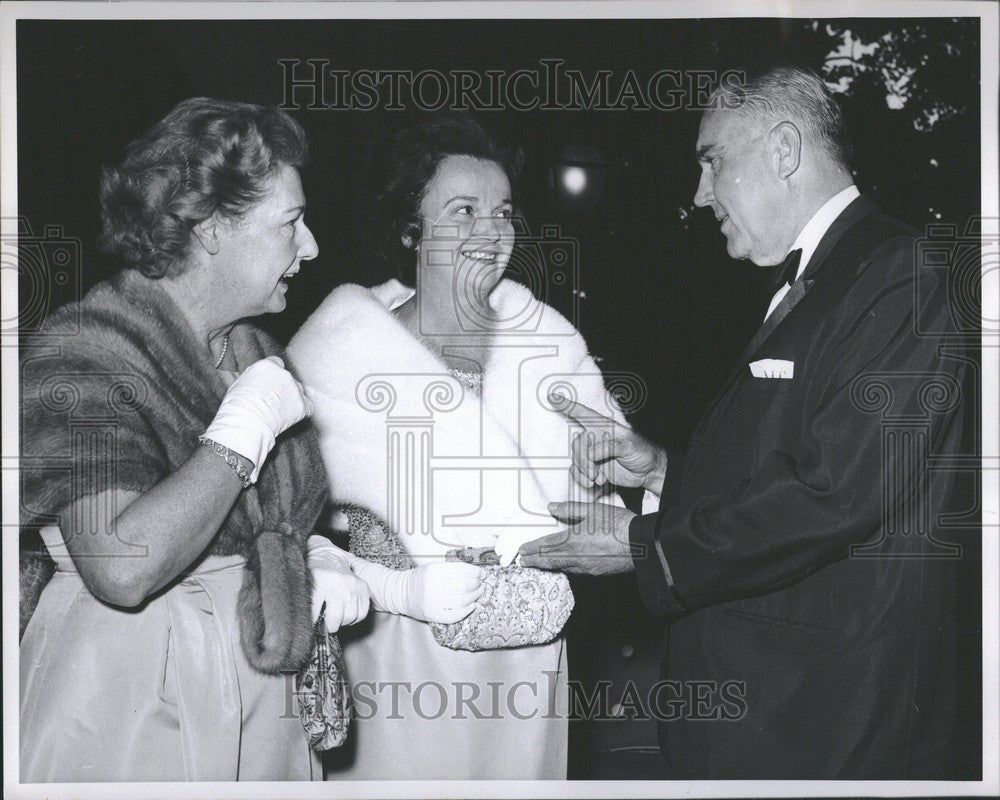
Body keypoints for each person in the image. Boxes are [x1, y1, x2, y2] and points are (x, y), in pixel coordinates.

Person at [519, 63, 970, 779]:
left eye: (711, 161)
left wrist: (645, 546)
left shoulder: (898, 273)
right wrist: (665, 471)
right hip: (781, 711)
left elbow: (835, 495)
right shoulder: (826, 277)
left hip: (824, 721)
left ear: (784, 150)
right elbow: (789, 466)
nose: (699, 195)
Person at [288, 115, 655, 780]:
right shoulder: (341, 354)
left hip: (529, 655)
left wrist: (618, 473)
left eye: (503, 211)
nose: (492, 230)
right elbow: (295, 530)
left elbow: (615, 498)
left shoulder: (551, 343)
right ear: (411, 229)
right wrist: (399, 580)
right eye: (464, 210)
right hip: (397, 655)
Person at [19, 97, 370, 782]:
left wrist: (315, 554)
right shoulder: (84, 350)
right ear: (211, 228)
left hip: (260, 696)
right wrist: (240, 435)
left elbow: (263, 521)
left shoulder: (257, 351)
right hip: (130, 700)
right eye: (291, 223)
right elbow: (121, 567)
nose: (312, 247)